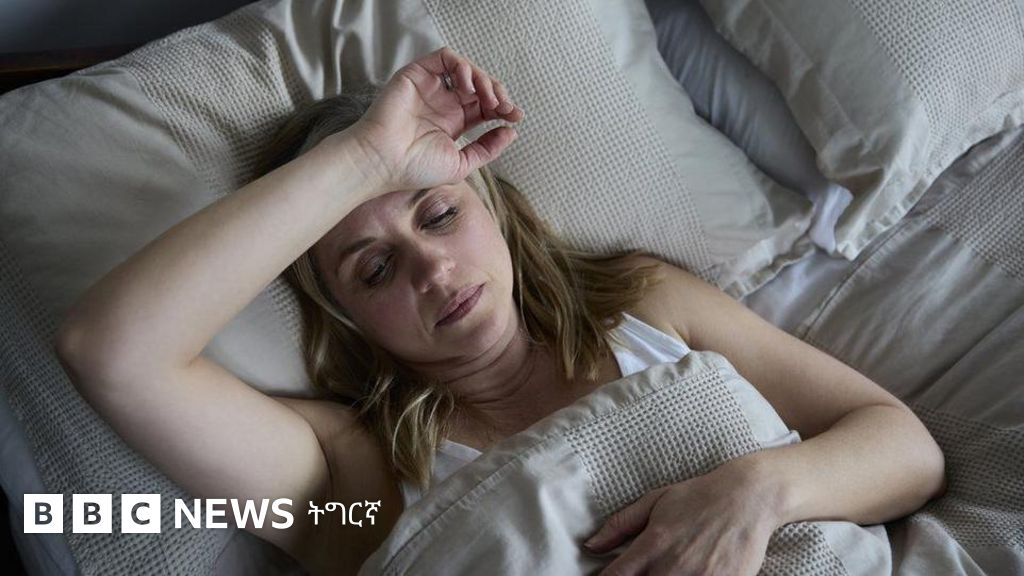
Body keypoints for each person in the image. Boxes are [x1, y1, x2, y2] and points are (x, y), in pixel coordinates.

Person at [55, 47, 945, 576]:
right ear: (347, 317)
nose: (432, 268)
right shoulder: (351, 474)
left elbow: (903, 449)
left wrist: (754, 492)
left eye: (440, 215)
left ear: (497, 209)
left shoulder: (645, 303)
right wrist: (365, 162)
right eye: (375, 268)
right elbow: (110, 350)